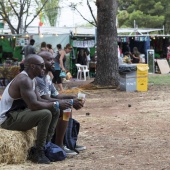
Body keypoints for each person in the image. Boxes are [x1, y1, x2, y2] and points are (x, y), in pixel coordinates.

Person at [0, 54, 72, 164]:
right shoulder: (24, 79)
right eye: (42, 65)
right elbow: (34, 105)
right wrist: (57, 103)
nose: (44, 67)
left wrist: (66, 102)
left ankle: (48, 145)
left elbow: (42, 99)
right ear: (32, 66)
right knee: (46, 114)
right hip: (8, 118)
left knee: (56, 110)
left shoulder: (33, 79)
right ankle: (39, 152)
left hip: (18, 113)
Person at [36, 51, 86, 155]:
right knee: (66, 107)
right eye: (49, 60)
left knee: (67, 107)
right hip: (39, 106)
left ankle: (67, 141)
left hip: (47, 104)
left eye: (52, 59)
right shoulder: (38, 78)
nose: (53, 62)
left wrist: (73, 97)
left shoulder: (47, 77)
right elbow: (45, 99)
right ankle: (59, 144)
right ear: (41, 62)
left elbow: (56, 95)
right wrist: (71, 101)